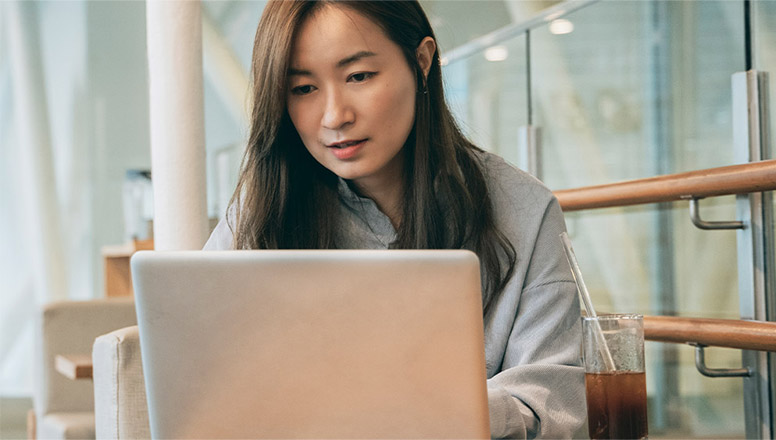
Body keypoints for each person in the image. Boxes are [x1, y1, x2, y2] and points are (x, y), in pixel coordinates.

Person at [204, 1, 587, 437]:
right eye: (303, 89)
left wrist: (426, 406)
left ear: (422, 62)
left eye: (359, 76)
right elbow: (201, 377)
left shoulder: (523, 210)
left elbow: (555, 406)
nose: (334, 116)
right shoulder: (261, 213)